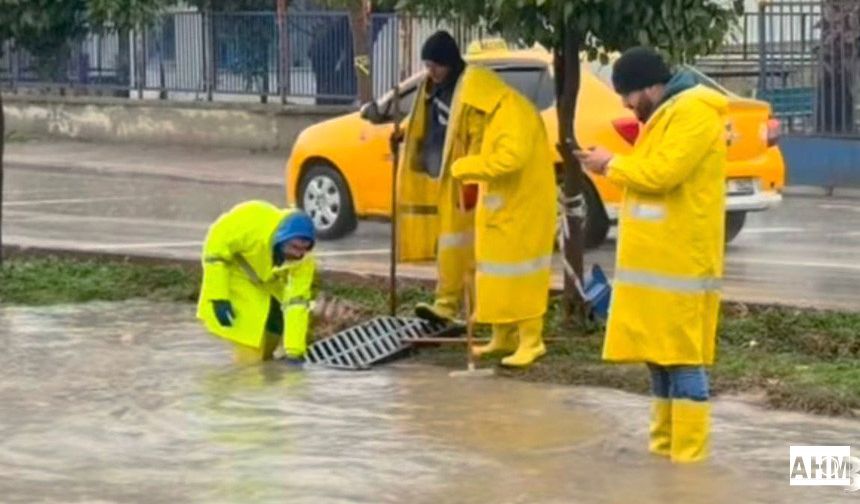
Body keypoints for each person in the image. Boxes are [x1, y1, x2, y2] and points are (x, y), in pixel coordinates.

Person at [575, 47, 728, 463]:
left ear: (650, 86)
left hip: (681, 263)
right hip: (657, 265)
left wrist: (609, 165)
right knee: (659, 362)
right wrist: (607, 164)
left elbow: (661, 174)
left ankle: (689, 463)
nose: (625, 103)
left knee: (682, 361)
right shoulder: (663, 116)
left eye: (627, 93)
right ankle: (666, 457)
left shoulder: (693, 113)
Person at [396, 31, 556, 367]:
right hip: (500, 206)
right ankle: (502, 336)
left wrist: (466, 165)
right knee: (495, 274)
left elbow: (508, 159)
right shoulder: (494, 110)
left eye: (433, 64)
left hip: (523, 210)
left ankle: (531, 340)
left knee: (522, 277)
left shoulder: (512, 114)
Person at [197, 201, 316, 365]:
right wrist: (219, 296)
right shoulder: (252, 222)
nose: (299, 254)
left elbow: (297, 302)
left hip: (267, 283)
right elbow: (215, 251)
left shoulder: (304, 262)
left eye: (305, 248)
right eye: (294, 247)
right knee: (249, 345)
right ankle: (246, 377)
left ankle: (265, 366)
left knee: (276, 324)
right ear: (282, 238)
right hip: (235, 275)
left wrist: (294, 352)